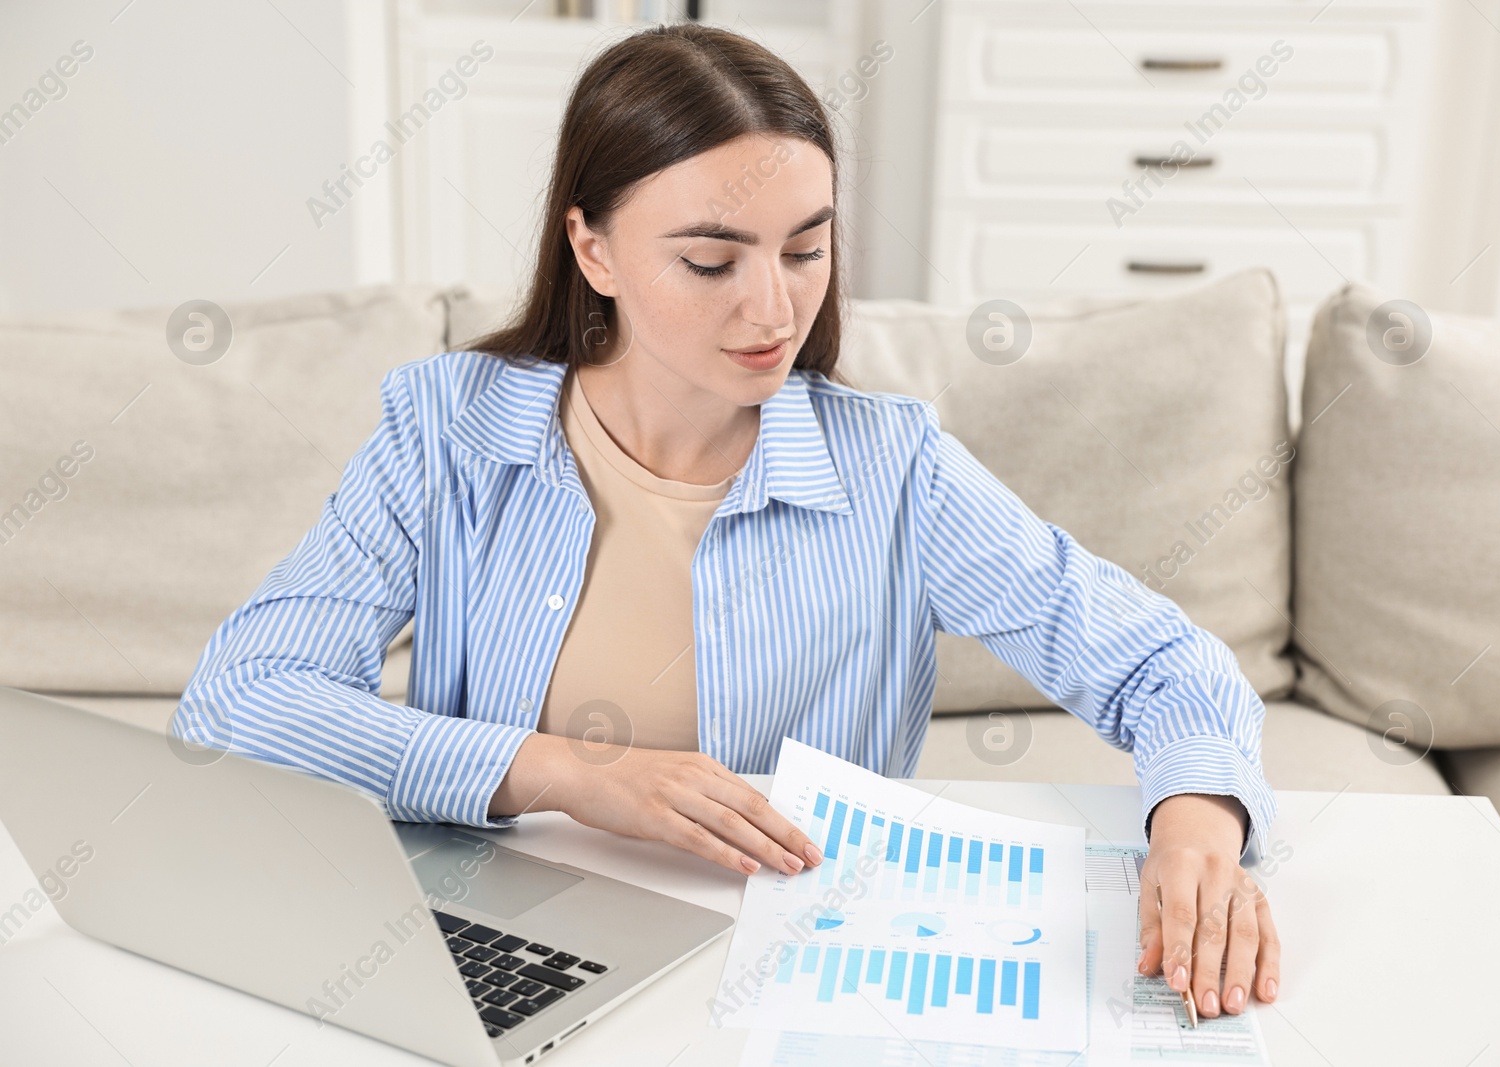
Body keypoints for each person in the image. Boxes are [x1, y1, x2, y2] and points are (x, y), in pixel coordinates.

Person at [176, 23, 1279, 1021]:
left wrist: (1192, 824)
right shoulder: (445, 433)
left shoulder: (892, 468)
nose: (771, 309)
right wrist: (563, 769)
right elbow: (240, 699)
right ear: (593, 249)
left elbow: (1163, 665)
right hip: (495, 948)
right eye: (710, 260)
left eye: (805, 248)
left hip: (792, 971)